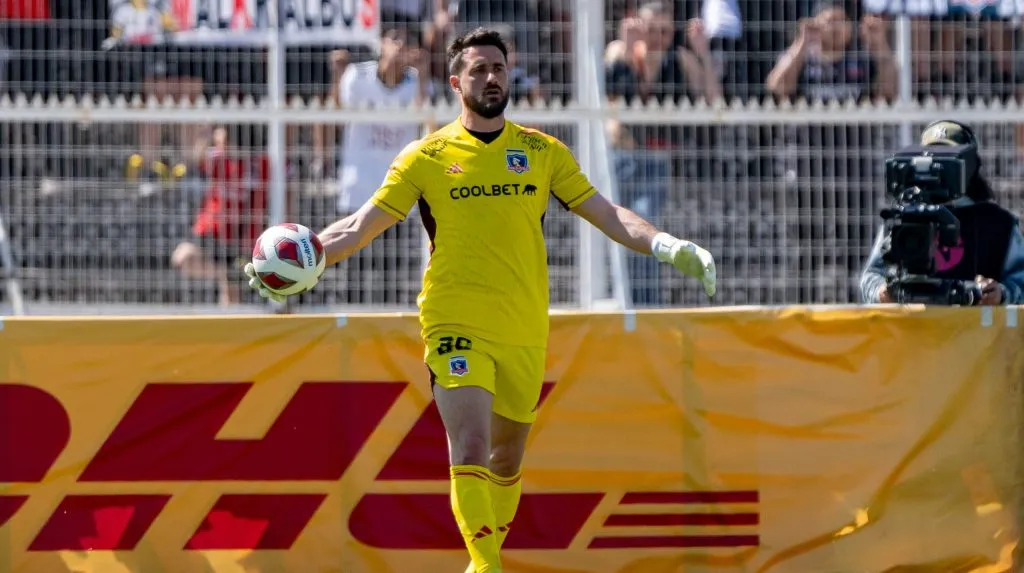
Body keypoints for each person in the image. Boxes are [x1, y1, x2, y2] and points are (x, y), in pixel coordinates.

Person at [244, 28, 716, 573]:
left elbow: (609, 214)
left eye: (499, 67)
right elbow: (358, 225)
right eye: (479, 69)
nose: (491, 77)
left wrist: (666, 243)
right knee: (468, 443)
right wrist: (306, 258)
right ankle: (487, 566)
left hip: (522, 325)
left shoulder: (541, 152)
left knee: (506, 459)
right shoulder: (426, 156)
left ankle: (482, 559)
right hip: (453, 317)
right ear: (455, 82)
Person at [860, 120, 1024, 305]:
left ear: (969, 165)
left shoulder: (999, 224)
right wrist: (882, 292)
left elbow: (1021, 279)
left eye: (947, 158)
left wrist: (1001, 293)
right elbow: (871, 278)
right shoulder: (901, 218)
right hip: (911, 331)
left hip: (975, 332)